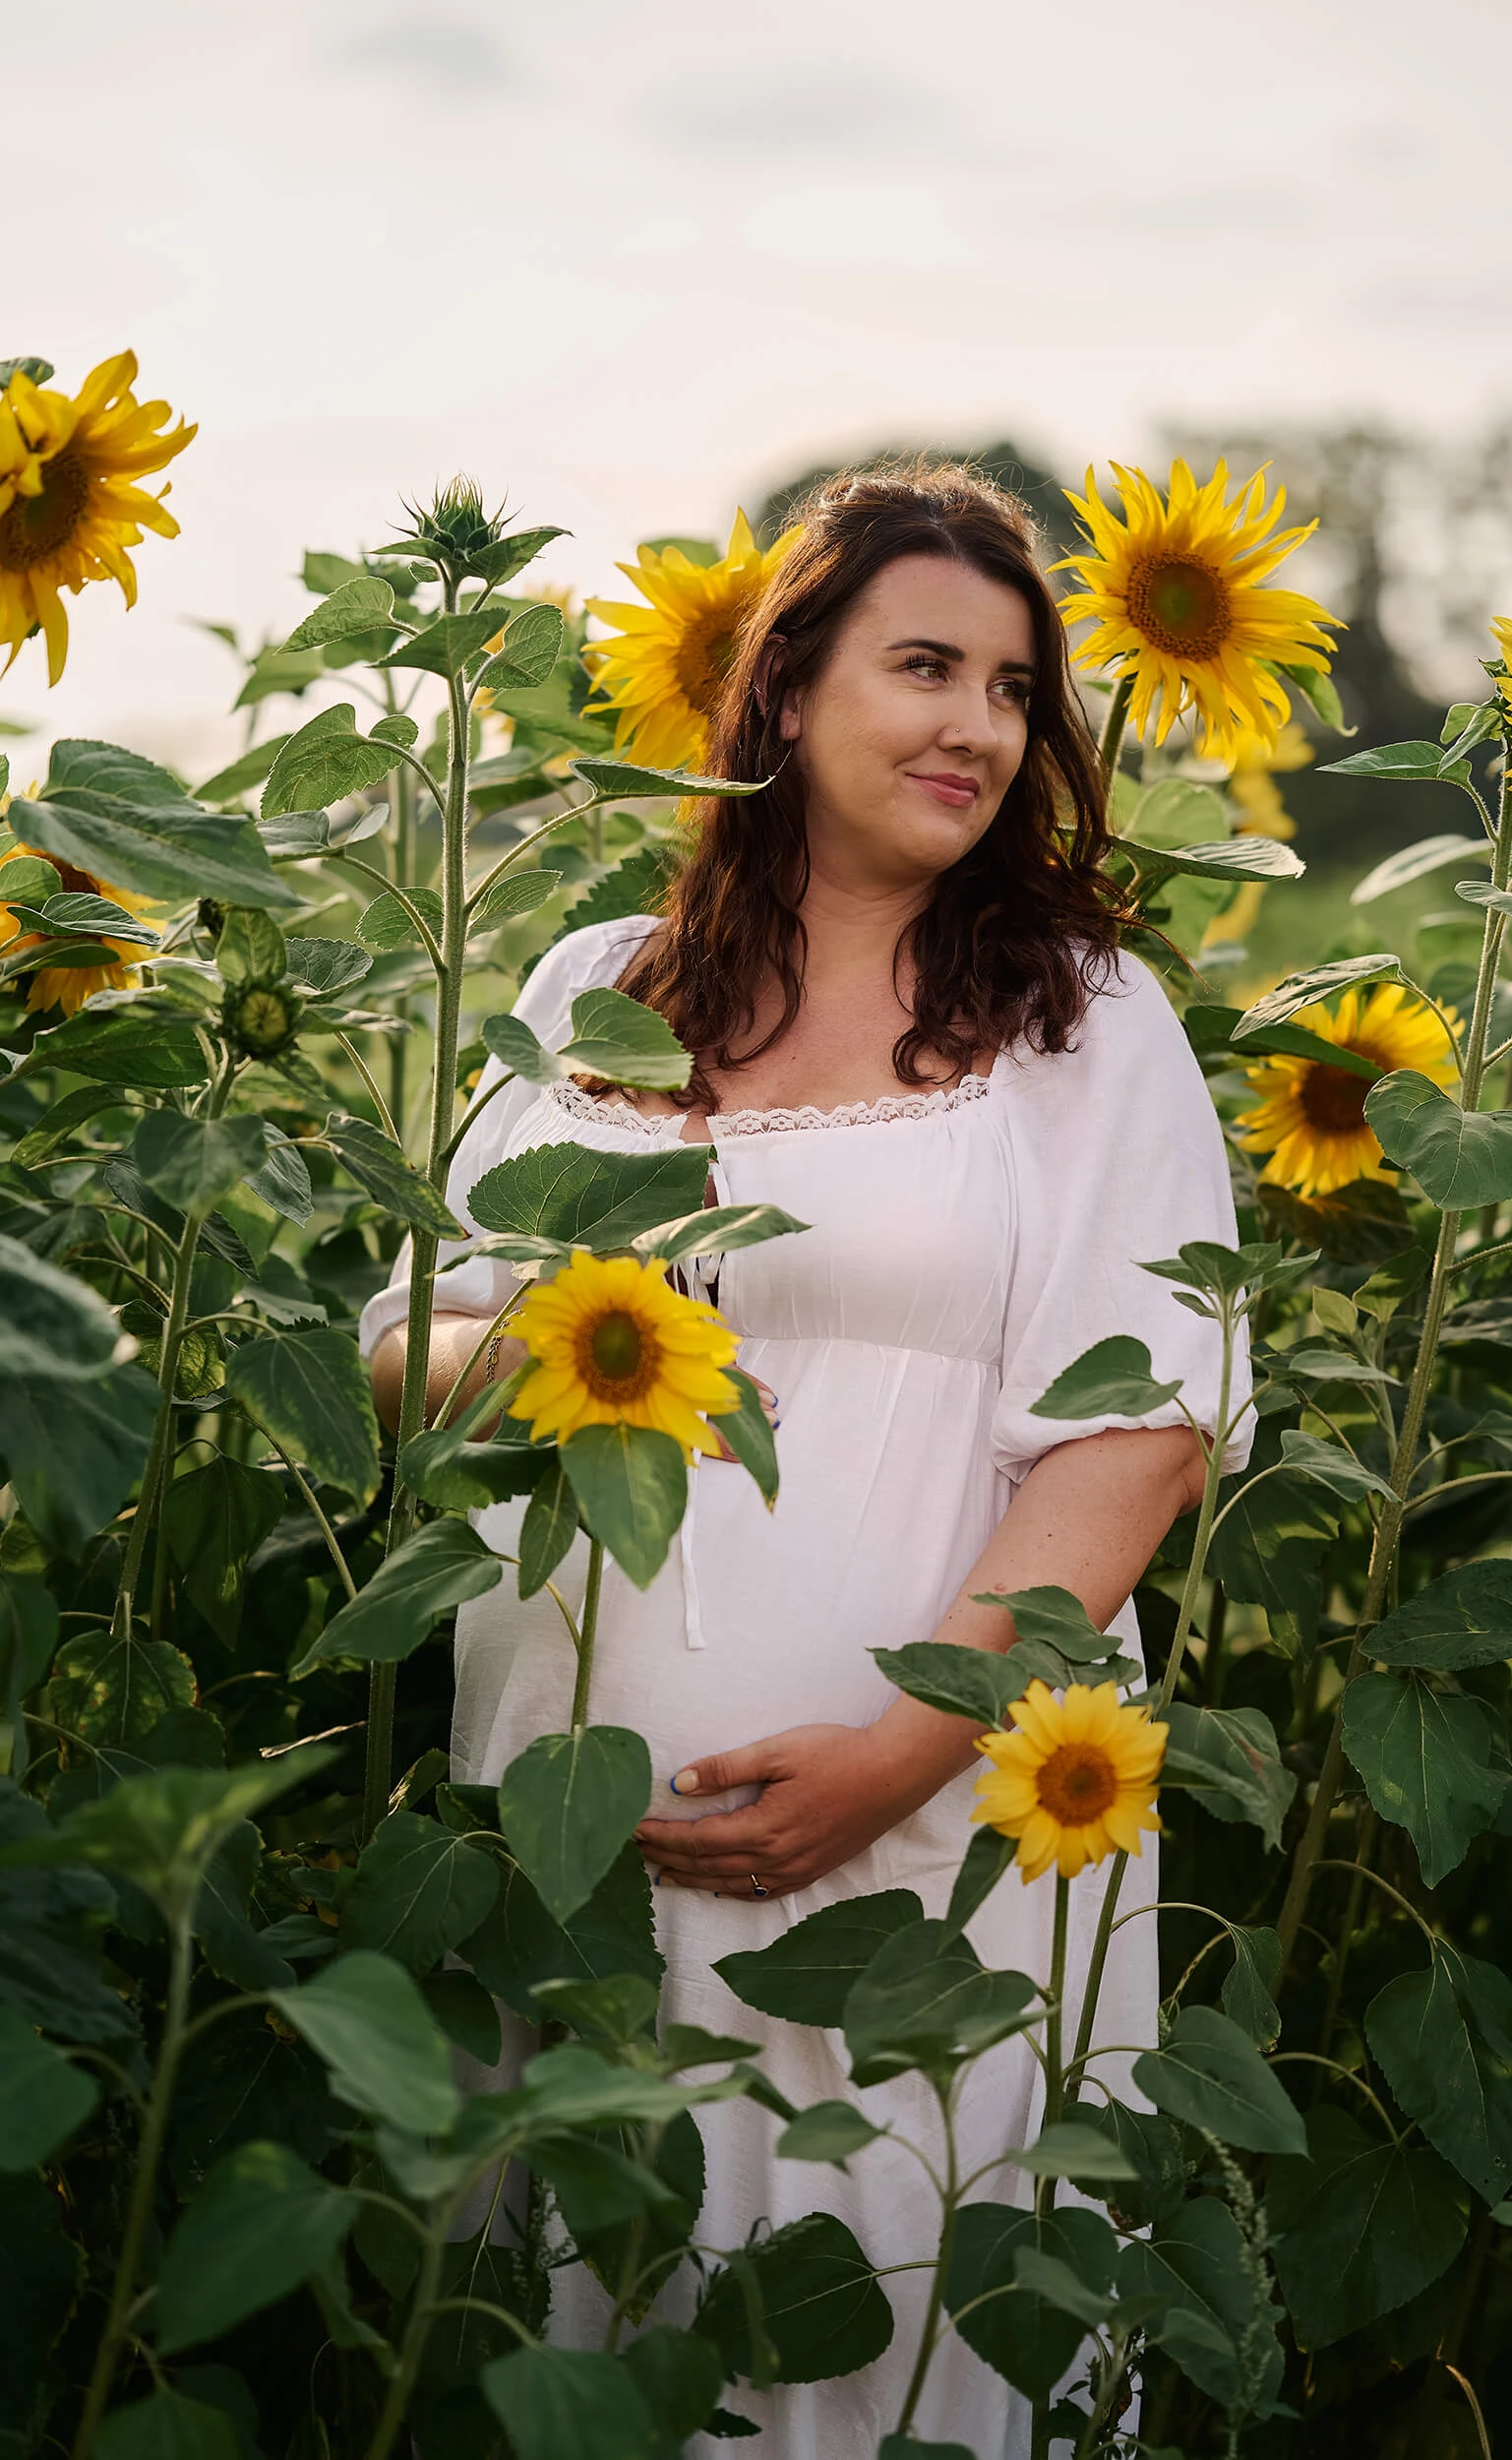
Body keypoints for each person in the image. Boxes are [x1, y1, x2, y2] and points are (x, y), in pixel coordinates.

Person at [362, 462, 1252, 2456]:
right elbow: (416, 1353)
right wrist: (592, 1326)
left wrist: (906, 1751)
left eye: (1015, 689)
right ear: (776, 693)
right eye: (923, 663)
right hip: (578, 1850)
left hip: (917, 1846)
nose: (976, 725)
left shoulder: (1082, 1024)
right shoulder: (596, 992)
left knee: (886, 2328)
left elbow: (1137, 1433)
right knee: (600, 2332)